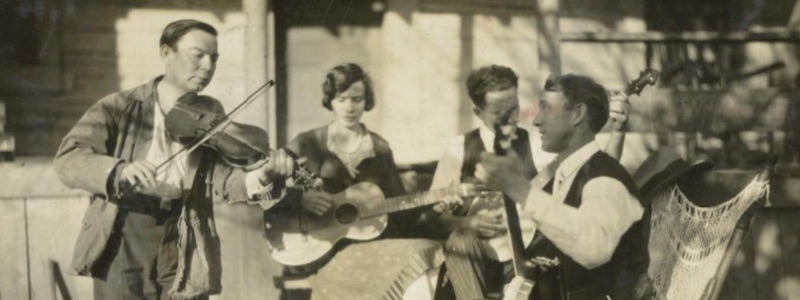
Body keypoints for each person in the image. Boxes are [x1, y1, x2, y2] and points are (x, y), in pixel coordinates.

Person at [54, 19, 293, 299]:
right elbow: (68, 159)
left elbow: (224, 179)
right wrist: (119, 170)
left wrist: (260, 178)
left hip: (184, 231)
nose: (208, 67)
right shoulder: (118, 107)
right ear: (167, 54)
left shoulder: (210, 113)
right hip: (126, 232)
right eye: (198, 55)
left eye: (214, 59)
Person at [425, 66, 633, 299]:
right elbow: (431, 220)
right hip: (472, 261)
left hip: (524, 260)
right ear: (478, 111)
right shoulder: (458, 150)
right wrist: (468, 221)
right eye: (497, 112)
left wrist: (618, 132)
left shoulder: (535, 144)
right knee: (460, 239)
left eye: (513, 108)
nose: (508, 118)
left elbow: (593, 170)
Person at [272, 63, 442, 299]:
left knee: (427, 252)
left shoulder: (379, 148)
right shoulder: (307, 143)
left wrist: (436, 204)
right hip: (317, 251)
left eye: (357, 99)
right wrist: (300, 197)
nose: (349, 107)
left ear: (367, 101)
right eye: (341, 99)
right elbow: (264, 186)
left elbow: (399, 212)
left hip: (369, 248)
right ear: (330, 100)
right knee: (422, 253)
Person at [475, 74, 646, 299]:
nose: (536, 121)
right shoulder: (561, 174)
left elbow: (593, 247)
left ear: (577, 114)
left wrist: (519, 189)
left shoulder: (606, 181)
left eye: (546, 109)